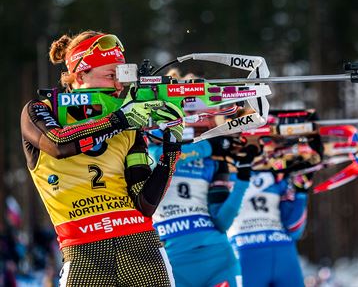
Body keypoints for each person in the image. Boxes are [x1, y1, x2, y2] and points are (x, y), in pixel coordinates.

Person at [20, 30, 184, 286]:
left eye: (122, 77)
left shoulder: (129, 125)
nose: (119, 86)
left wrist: (170, 153)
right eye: (111, 75)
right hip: (84, 254)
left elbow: (144, 204)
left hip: (142, 250)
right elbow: (58, 143)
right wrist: (119, 120)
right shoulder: (41, 109)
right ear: (81, 74)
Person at [148, 70, 257, 287]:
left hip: (218, 257)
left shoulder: (214, 160)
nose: (196, 122)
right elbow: (160, 159)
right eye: (192, 114)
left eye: (205, 115)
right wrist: (208, 146)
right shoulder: (155, 140)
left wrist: (243, 179)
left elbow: (222, 221)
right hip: (173, 260)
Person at [227, 133, 323, 287]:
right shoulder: (277, 175)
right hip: (278, 250)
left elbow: (294, 228)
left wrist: (300, 190)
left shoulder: (278, 174)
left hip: (249, 250)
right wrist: (299, 192)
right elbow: (294, 228)